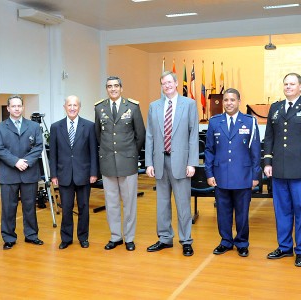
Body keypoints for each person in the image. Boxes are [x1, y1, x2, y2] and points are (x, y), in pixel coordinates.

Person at [263, 73, 301, 267]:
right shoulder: (276, 108)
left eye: (292, 84)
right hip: (279, 169)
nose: (288, 87)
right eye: (286, 84)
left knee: (300, 210)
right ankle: (284, 247)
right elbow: (270, 138)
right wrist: (267, 162)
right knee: (281, 210)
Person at [145, 71, 199, 257]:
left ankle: (186, 240)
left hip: (181, 162)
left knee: (183, 204)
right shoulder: (154, 106)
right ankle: (165, 238)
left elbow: (193, 135)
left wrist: (192, 162)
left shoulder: (189, 104)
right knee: (162, 204)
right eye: (163, 83)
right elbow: (150, 136)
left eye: (169, 82)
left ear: (176, 83)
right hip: (160, 162)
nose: (167, 85)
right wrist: (149, 162)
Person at [204, 88, 261, 258]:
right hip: (221, 175)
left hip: (243, 176)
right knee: (223, 211)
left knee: (242, 213)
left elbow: (255, 152)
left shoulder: (249, 121)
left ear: (239, 101)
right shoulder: (215, 122)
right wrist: (209, 173)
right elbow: (209, 150)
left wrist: (255, 176)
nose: (229, 103)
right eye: (226, 100)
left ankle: (242, 242)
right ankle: (226, 241)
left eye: (232, 100)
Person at [94, 76, 145, 251]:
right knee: (112, 202)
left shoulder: (132, 107)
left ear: (121, 88)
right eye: (109, 86)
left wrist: (131, 153)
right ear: (106, 89)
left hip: (128, 162)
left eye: (116, 86)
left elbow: (140, 135)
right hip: (108, 162)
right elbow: (98, 136)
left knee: (129, 203)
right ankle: (115, 236)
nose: (113, 89)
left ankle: (129, 238)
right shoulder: (99, 108)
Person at [0, 95, 44, 250]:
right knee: (9, 207)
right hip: (9, 173)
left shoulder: (34, 126)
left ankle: (31, 235)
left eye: (19, 106)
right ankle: (9, 237)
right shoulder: (0, 127)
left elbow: (38, 147)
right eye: (13, 106)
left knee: (29, 207)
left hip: (29, 172)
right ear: (8, 108)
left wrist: (25, 162)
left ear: (23, 108)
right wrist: (16, 161)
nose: (16, 108)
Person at [50, 95, 99, 250]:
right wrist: (54, 175)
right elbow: (53, 154)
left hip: (84, 175)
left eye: (75, 105)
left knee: (84, 207)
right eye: (69, 105)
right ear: (64, 107)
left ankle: (83, 237)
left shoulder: (89, 126)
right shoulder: (56, 127)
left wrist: (93, 173)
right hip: (64, 175)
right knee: (66, 208)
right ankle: (66, 238)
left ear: (79, 107)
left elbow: (93, 152)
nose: (72, 108)